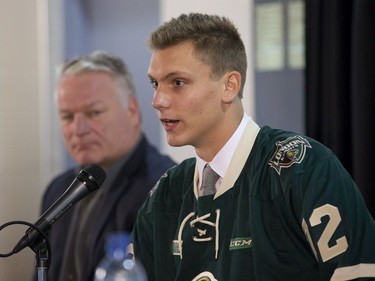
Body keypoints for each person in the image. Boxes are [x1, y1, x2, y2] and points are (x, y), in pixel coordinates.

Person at [132, 13, 375, 281]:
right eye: (155, 83)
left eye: (177, 83)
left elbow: (358, 273)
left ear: (229, 86)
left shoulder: (303, 167)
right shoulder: (165, 193)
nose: (158, 100)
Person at [35, 51, 176, 281]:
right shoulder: (56, 191)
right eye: (67, 116)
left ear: (132, 111)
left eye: (94, 113)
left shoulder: (166, 184)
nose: (78, 129)